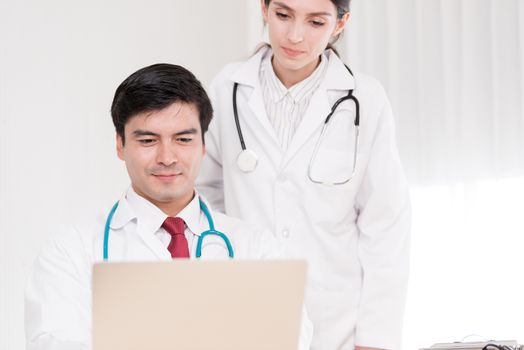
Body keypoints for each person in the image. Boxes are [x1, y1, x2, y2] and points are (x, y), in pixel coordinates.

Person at [25, 63, 313, 350]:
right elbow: (55, 343)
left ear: (203, 145)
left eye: (183, 139)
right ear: (120, 145)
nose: (167, 157)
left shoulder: (257, 249)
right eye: (148, 140)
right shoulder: (70, 251)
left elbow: (289, 340)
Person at [196, 0, 411, 349]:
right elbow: (204, 194)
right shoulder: (227, 88)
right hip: (246, 306)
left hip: (336, 320)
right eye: (283, 15)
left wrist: (376, 337)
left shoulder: (365, 98)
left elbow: (386, 224)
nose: (295, 35)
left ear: (340, 24)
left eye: (315, 22)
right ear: (264, 9)